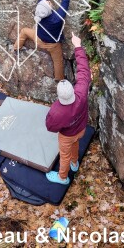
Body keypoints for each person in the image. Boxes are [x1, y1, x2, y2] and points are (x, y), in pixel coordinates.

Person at [45, 32, 91, 185]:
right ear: (72, 90)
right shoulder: (81, 93)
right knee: (75, 144)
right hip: (81, 129)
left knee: (64, 155)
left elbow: (50, 127)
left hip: (66, 135)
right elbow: (84, 72)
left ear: (59, 96)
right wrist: (78, 46)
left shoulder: (56, 111)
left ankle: (62, 177)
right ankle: (75, 163)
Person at [13, 0, 70, 81]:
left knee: (24, 31)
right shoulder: (57, 19)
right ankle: (59, 80)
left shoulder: (38, 10)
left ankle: (16, 48)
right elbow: (65, 0)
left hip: (38, 39)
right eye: (48, 3)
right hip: (53, 45)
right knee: (58, 61)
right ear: (49, 11)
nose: (48, 1)